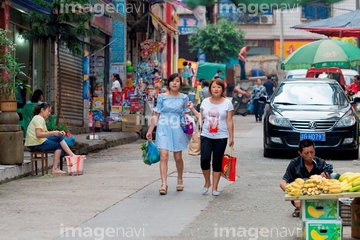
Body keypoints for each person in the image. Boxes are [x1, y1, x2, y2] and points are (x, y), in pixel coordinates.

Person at [187, 78, 234, 196]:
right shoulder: (205, 102)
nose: (216, 89)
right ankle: (207, 182)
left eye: (218, 87)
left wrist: (231, 137)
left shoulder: (227, 103)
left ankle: (215, 187)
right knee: (204, 160)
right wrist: (192, 108)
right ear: (210, 89)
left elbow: (229, 121)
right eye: (213, 87)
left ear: (222, 89)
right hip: (206, 135)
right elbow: (200, 117)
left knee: (217, 162)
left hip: (221, 137)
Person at [146, 73, 191, 195]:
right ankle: (164, 184)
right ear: (169, 83)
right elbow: (156, 114)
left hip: (177, 128)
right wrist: (150, 130)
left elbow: (187, 114)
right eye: (172, 81)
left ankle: (180, 178)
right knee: (164, 156)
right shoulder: (161, 97)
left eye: (177, 81)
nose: (174, 83)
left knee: (178, 157)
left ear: (180, 84)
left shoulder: (184, 98)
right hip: (163, 127)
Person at [280, 139, 332, 217]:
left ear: (315, 150)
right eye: (306, 153)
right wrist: (294, 197)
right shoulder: (294, 164)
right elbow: (282, 183)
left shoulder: (320, 162)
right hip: (300, 196)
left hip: (317, 195)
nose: (310, 155)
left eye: (312, 152)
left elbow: (330, 180)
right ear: (300, 153)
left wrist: (327, 177)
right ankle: (300, 207)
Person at [24, 102, 76, 174]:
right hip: (35, 143)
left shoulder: (39, 118)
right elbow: (38, 134)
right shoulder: (38, 119)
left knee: (59, 137)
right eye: (48, 111)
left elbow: (46, 132)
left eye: (50, 111)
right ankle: (55, 168)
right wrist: (53, 133)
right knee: (58, 146)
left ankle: (71, 155)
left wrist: (58, 132)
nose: (49, 113)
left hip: (38, 141)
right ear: (42, 110)